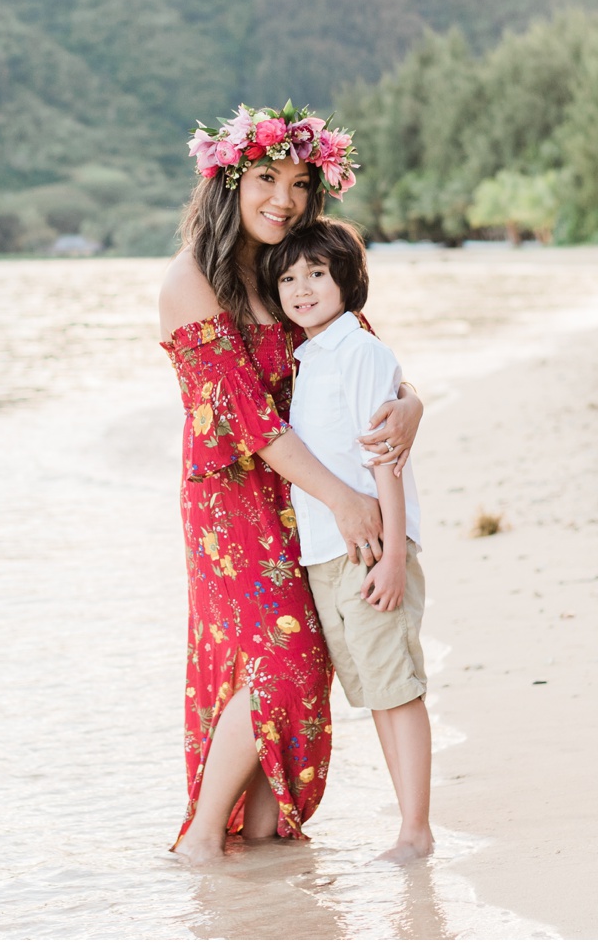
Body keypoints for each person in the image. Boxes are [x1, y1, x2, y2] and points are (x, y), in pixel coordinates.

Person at [158, 104, 425, 865]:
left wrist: (411, 408)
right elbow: (247, 418)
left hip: (302, 493)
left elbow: (367, 360)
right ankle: (204, 838)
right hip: (232, 497)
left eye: (301, 182)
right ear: (228, 179)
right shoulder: (191, 281)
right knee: (284, 659)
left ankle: (266, 840)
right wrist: (347, 499)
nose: (284, 197)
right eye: (266, 177)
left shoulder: (292, 268)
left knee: (308, 666)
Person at [260, 217, 433, 863]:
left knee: (396, 684)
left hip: (370, 551)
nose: (302, 288)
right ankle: (408, 825)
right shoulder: (309, 356)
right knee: (376, 691)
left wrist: (392, 556)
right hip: (330, 554)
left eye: (317, 274)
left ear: (346, 280)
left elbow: (382, 454)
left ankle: (416, 830)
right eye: (289, 277)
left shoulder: (360, 350)